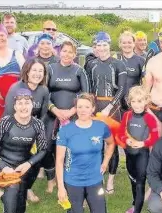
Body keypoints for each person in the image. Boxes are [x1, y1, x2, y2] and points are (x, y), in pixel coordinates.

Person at [0, 88, 48, 213]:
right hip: (1, 163)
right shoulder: (5, 122)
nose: (23, 107)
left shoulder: (38, 124)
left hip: (23, 166)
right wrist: (3, 166)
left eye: (27, 103)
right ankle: (2, 194)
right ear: (15, 106)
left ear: (32, 105)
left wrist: (28, 164)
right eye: (20, 103)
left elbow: (43, 150)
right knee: (12, 193)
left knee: (20, 207)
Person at [55, 93, 116, 213]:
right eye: (80, 107)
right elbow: (59, 161)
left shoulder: (101, 127)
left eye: (87, 107)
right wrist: (61, 188)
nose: (83, 110)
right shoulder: (66, 130)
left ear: (93, 108)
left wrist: (105, 162)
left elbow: (111, 143)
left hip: (95, 180)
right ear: (76, 108)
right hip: (73, 181)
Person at [42, 40, 90, 193]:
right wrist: (54, 109)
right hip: (52, 114)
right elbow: (43, 93)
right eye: (64, 51)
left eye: (70, 52)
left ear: (75, 55)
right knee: (48, 146)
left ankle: (71, 177)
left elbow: (86, 95)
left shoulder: (79, 70)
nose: (67, 54)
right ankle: (51, 179)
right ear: (59, 52)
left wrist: (72, 111)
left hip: (73, 116)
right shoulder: (50, 68)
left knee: (72, 148)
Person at [85, 31, 128, 194]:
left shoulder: (118, 64)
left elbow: (122, 89)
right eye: (98, 45)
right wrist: (90, 107)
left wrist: (109, 107)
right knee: (96, 143)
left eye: (104, 45)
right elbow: (88, 87)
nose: (101, 48)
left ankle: (111, 179)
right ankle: (98, 177)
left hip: (112, 107)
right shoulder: (91, 64)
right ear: (95, 46)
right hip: (95, 105)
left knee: (112, 144)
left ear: (109, 46)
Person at [4, 58, 49, 203]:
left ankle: (28, 187)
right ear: (27, 72)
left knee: (35, 161)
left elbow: (43, 115)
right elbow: (9, 114)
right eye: (34, 70)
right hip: (13, 130)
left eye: (40, 71)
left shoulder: (44, 90)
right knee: (19, 159)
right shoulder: (15, 88)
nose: (37, 74)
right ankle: (11, 187)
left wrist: (36, 134)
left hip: (34, 131)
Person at [117, 86, 160, 213]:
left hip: (142, 154)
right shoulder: (127, 115)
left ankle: (137, 210)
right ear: (130, 102)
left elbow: (155, 137)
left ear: (146, 101)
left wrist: (142, 143)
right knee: (132, 181)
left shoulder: (149, 118)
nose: (136, 105)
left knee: (140, 183)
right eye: (133, 101)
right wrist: (126, 140)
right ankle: (135, 204)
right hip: (130, 154)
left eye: (140, 101)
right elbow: (120, 133)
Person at [113, 31, 146, 111]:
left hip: (134, 102)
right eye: (124, 43)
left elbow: (145, 83)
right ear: (120, 44)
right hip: (116, 102)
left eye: (129, 42)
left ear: (134, 44)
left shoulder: (141, 61)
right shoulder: (114, 59)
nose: (127, 45)